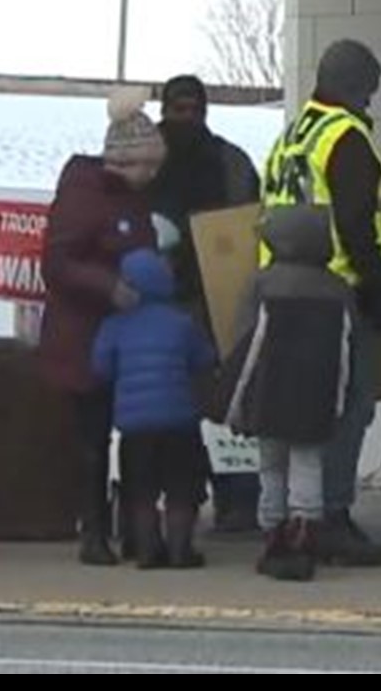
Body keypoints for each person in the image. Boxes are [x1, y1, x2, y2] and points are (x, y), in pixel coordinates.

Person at [258, 40, 381, 567]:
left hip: (280, 286)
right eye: (371, 90)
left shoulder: (293, 135)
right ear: (358, 86)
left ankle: (284, 519)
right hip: (338, 291)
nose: (372, 102)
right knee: (348, 407)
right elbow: (356, 222)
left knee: (294, 412)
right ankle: (330, 517)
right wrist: (380, 283)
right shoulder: (348, 139)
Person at [41, 88, 163, 565]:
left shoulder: (133, 200)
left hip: (127, 334)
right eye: (147, 166)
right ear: (124, 163)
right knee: (93, 438)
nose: (153, 175)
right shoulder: (84, 195)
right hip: (86, 337)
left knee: (136, 433)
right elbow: (57, 261)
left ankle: (135, 530)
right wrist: (110, 285)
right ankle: (93, 531)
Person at [150, 73, 262, 533]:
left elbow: (249, 222)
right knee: (180, 409)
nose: (187, 119)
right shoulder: (148, 159)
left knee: (225, 405)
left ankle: (234, 500)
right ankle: (191, 495)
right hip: (170, 301)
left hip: (216, 300)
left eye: (194, 111)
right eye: (179, 110)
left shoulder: (227, 161)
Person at [220, 205, 351, 582]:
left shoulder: (262, 284)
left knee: (272, 467)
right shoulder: (337, 288)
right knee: (309, 463)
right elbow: (346, 352)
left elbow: (245, 348)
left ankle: (274, 535)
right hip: (317, 395)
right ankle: (305, 531)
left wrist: (236, 404)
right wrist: (338, 404)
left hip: (269, 394)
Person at [92, 248, 217, 569]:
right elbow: (203, 359)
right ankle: (180, 551)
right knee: (181, 490)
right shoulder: (183, 323)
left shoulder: (114, 326)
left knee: (141, 492)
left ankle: (147, 552)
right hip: (180, 421)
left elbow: (101, 368)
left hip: (135, 426)